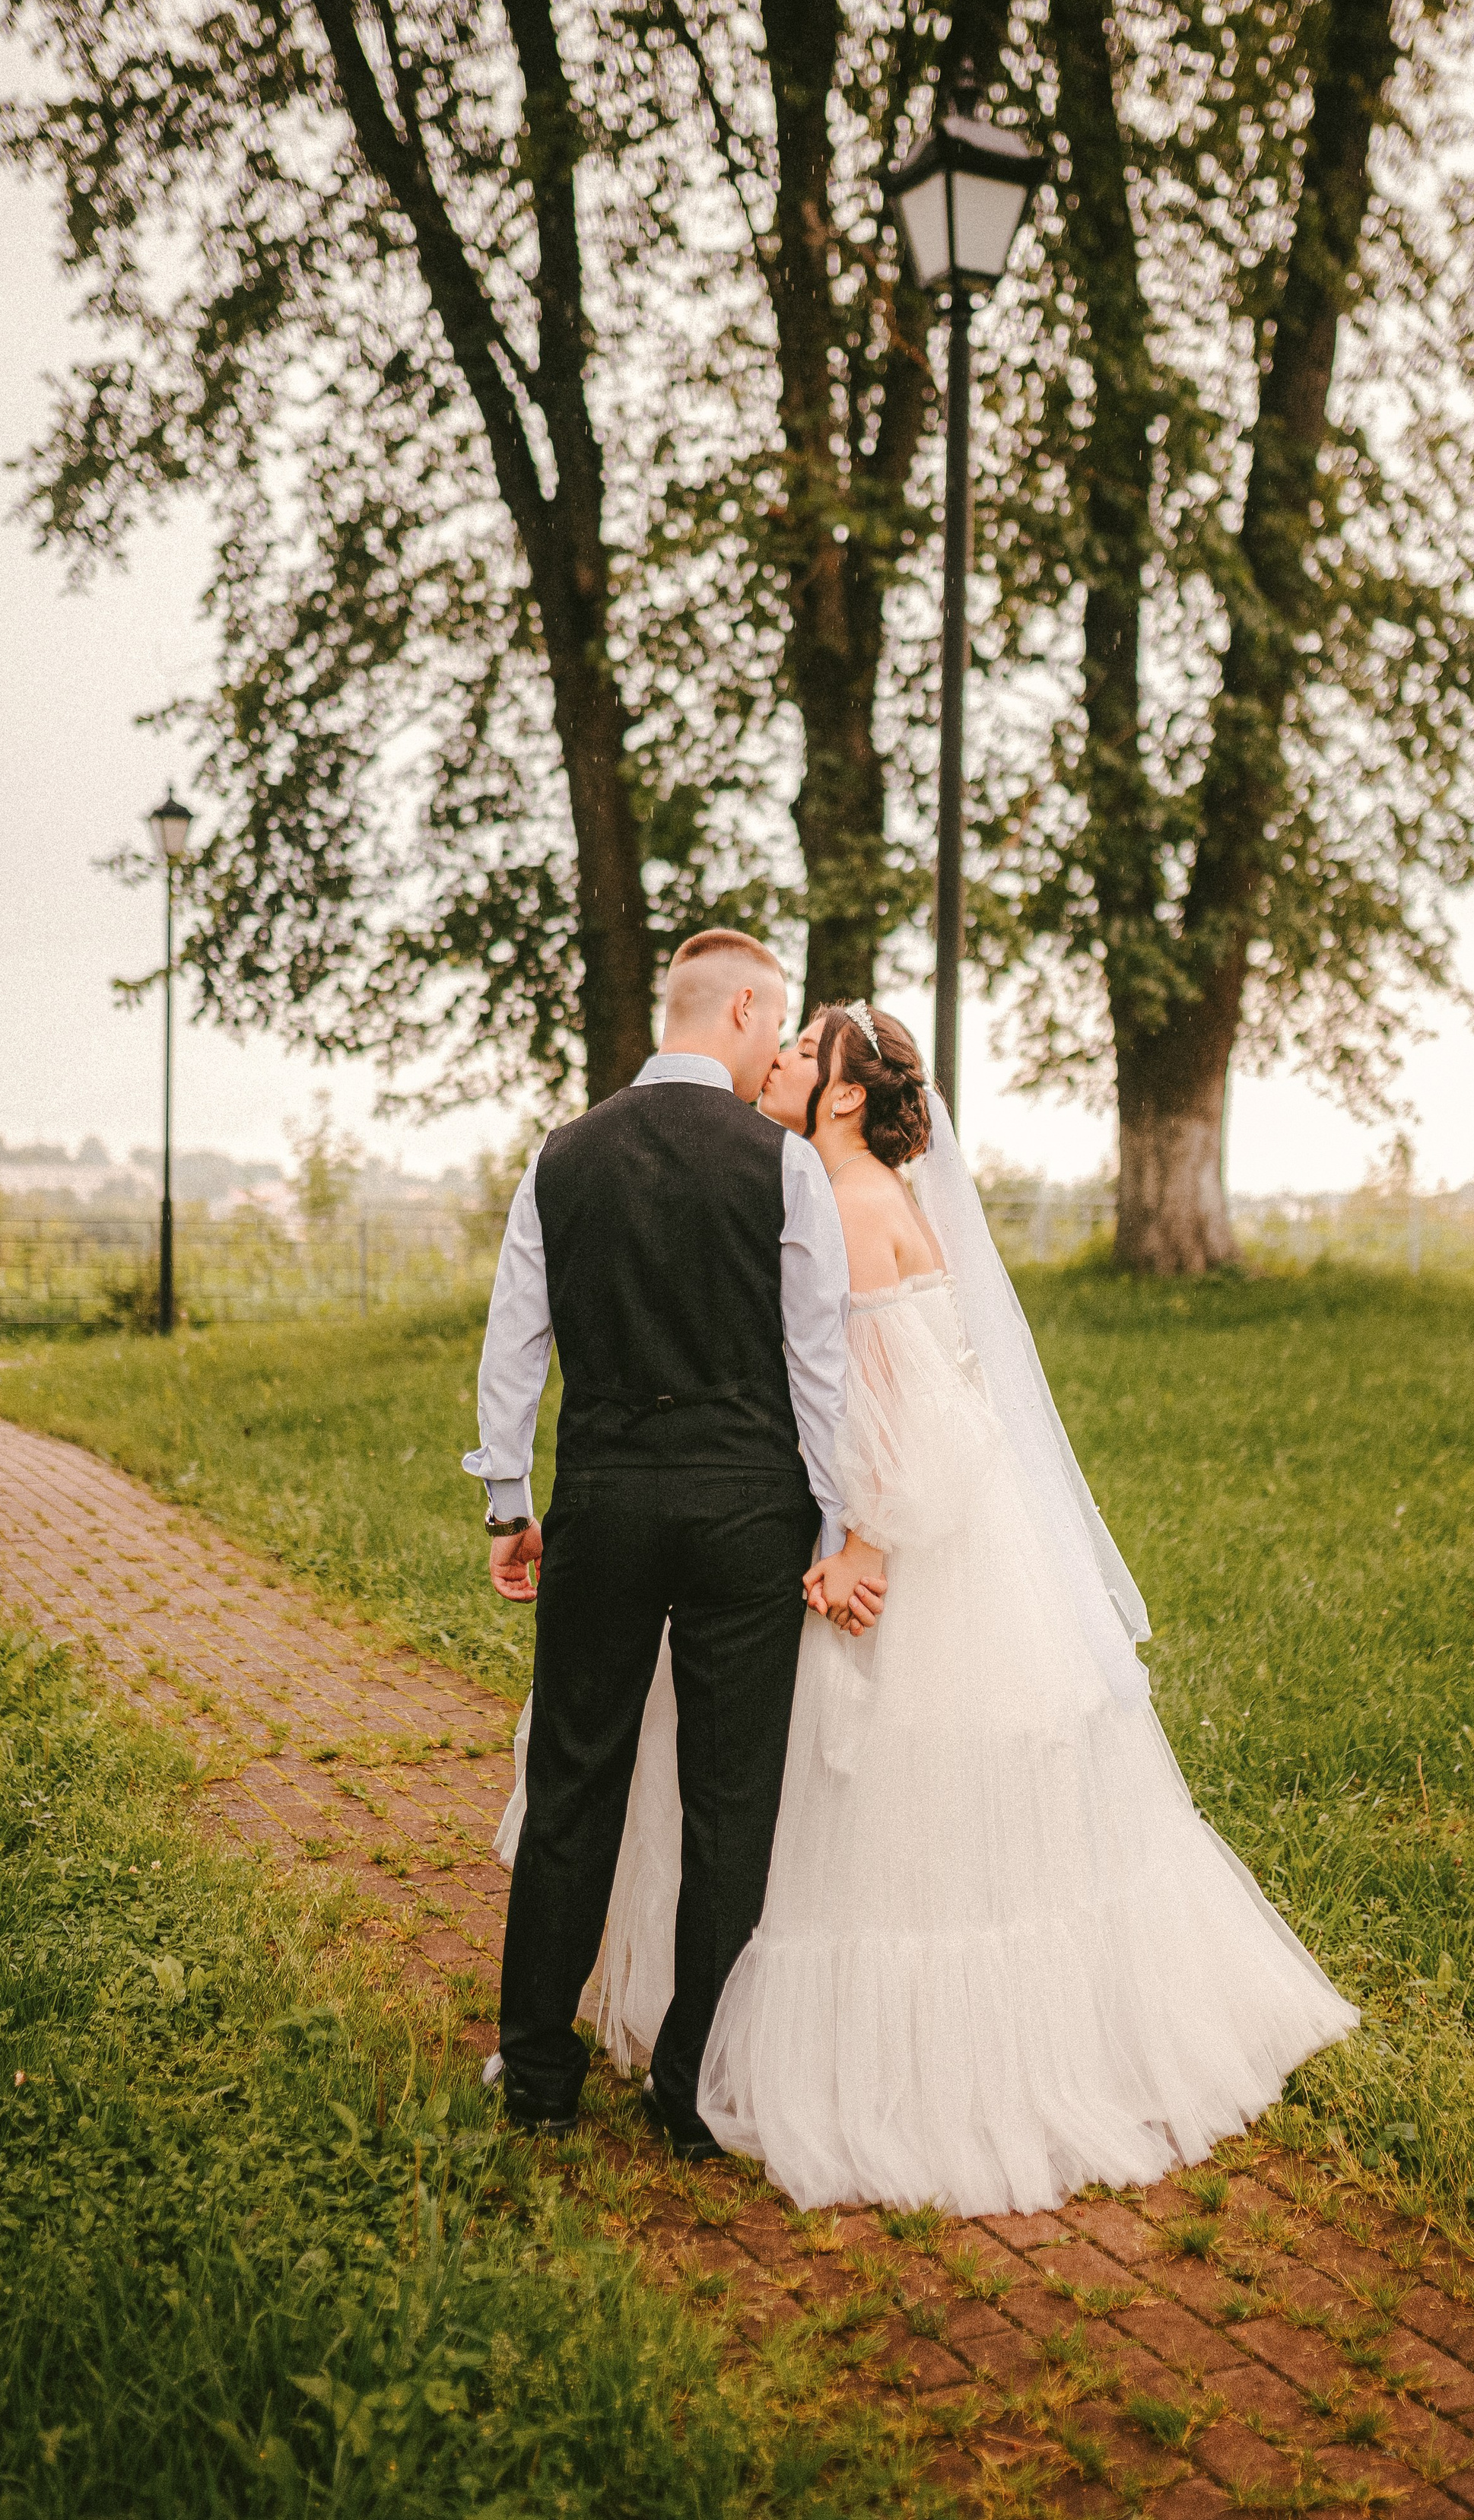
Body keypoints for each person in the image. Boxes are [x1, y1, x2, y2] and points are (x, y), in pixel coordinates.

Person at [496, 998, 1358, 2215]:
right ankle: (703, 2061)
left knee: (837, 1806)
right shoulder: (875, 1197)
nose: (782, 1060)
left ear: (845, 1095)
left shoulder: (843, 1203)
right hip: (928, 1524)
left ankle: (788, 2062)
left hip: (882, 1538)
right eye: (783, 1042)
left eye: (804, 1053)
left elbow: (881, 1398)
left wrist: (864, 1541)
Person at [464, 930, 886, 2157]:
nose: (776, 1055)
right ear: (746, 1009)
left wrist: (509, 1504)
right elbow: (818, 1370)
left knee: (573, 1784)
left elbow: (513, 1350)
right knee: (730, 1798)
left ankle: (538, 2073)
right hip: (747, 1515)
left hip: (603, 1502)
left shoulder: (562, 1157)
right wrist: (833, 1522)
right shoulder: (783, 1166)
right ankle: (688, 2089)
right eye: (779, 1026)